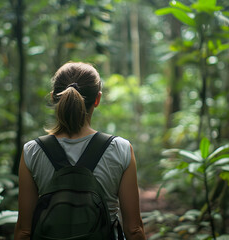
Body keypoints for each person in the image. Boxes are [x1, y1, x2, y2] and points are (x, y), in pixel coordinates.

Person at [14, 62, 145, 240]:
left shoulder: (32, 151)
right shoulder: (121, 149)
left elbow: (24, 231)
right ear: (97, 99)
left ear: (53, 97)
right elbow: (134, 229)